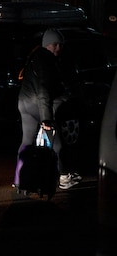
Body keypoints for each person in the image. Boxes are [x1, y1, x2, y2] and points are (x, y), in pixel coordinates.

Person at [16, 28, 81, 190]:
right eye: (55, 44)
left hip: (25, 103)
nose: (58, 48)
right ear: (47, 45)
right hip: (38, 106)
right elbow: (44, 90)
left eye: (60, 45)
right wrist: (46, 118)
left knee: (26, 141)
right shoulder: (46, 60)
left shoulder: (35, 57)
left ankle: (19, 178)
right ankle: (64, 177)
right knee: (56, 139)